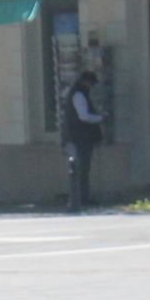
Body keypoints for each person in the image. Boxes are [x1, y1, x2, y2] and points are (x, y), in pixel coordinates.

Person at [62, 69, 104, 213]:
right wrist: (100, 118)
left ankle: (81, 197)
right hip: (81, 137)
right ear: (86, 82)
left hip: (76, 136)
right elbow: (83, 116)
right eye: (91, 84)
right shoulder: (79, 94)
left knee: (81, 168)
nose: (91, 87)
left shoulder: (73, 92)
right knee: (82, 168)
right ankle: (81, 198)